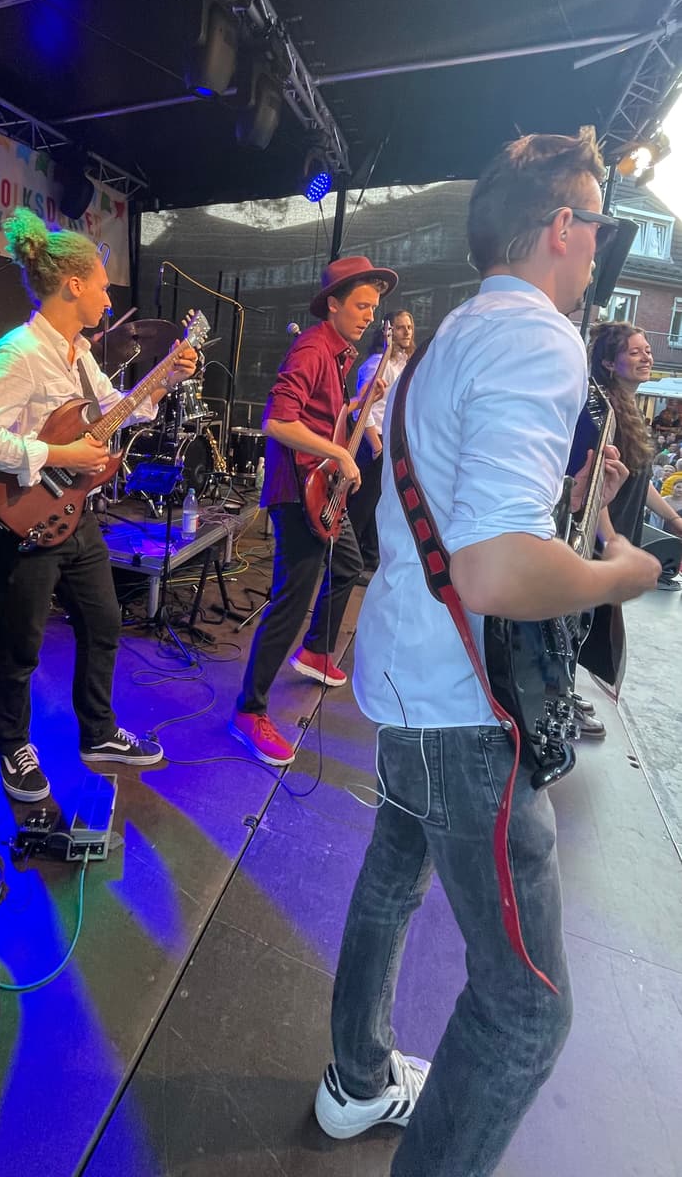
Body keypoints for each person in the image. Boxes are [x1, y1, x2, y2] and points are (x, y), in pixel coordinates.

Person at [313, 129, 659, 1177]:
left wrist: (570, 511)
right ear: (561, 226)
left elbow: (460, 521)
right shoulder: (536, 340)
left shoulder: (450, 338)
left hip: (406, 682)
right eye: (596, 223)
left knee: (391, 880)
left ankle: (355, 1079)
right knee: (525, 1013)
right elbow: (497, 572)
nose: (599, 244)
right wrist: (619, 575)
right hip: (467, 710)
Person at [0, 209, 197, 803]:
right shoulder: (20, 352)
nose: (109, 299)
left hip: (75, 513)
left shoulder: (79, 353)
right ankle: (12, 746)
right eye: (103, 287)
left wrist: (163, 380)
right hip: (26, 519)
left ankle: (99, 732)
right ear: (74, 285)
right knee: (20, 648)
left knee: (104, 624)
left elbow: (116, 410)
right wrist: (59, 451)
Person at [229, 255, 397, 768]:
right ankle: (249, 711)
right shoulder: (312, 348)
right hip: (298, 491)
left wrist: (356, 406)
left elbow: (323, 418)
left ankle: (316, 650)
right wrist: (342, 455)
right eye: (361, 305)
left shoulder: (339, 354)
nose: (369, 315)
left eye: (374, 308)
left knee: (347, 563)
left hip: (321, 488)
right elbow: (278, 421)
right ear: (333, 305)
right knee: (290, 601)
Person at [587, 322, 682, 588]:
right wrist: (611, 545)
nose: (646, 358)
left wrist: (673, 519)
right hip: (599, 551)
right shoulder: (603, 412)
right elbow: (594, 490)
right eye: (634, 352)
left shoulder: (630, 411)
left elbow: (639, 479)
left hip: (616, 544)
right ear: (609, 363)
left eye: (647, 351)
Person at [347, 310, 415, 571]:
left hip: (392, 442)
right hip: (373, 441)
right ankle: (348, 560)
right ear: (388, 332)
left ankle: (370, 558)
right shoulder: (378, 364)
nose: (406, 332)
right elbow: (362, 410)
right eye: (400, 327)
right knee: (363, 505)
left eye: (409, 327)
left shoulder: (404, 363)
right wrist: (377, 446)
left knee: (381, 504)